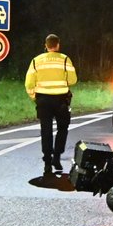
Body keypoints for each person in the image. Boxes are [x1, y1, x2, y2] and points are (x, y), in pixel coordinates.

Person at [25, 33, 78, 174]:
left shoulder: (36, 61)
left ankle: (47, 162)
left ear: (46, 45)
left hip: (43, 100)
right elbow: (73, 80)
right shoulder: (65, 60)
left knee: (46, 130)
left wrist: (34, 97)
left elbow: (29, 83)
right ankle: (57, 156)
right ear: (58, 45)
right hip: (61, 101)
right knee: (63, 128)